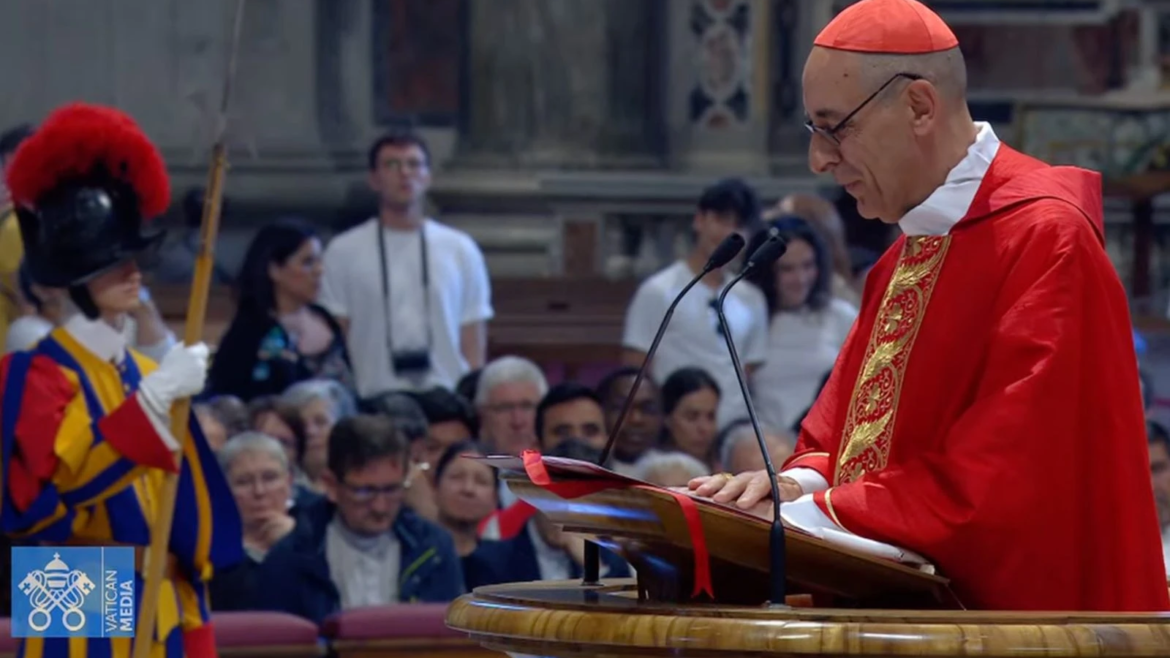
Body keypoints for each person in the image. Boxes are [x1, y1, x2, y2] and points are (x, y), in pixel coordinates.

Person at [690, 0, 1168, 611]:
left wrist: (807, 515)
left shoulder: (1048, 240)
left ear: (919, 106)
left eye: (835, 128)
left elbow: (1004, 481)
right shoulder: (903, 259)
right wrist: (787, 487)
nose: (820, 160)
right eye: (814, 132)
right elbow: (843, 437)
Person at [0, 103, 243, 656]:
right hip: (75, 576)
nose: (133, 271)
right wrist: (155, 401)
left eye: (135, 257)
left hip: (167, 591)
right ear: (71, 279)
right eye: (113, 263)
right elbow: (57, 493)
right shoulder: (33, 372)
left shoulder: (147, 371)